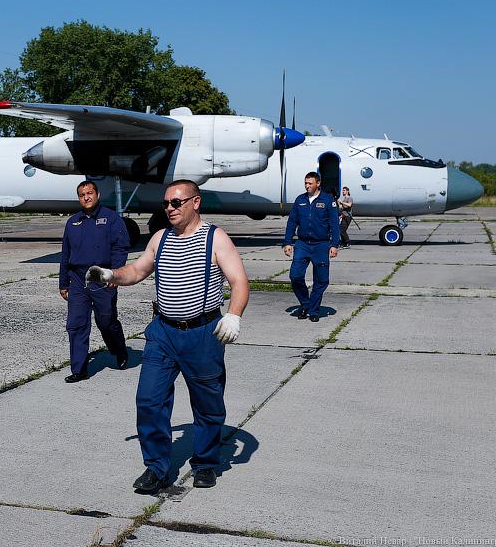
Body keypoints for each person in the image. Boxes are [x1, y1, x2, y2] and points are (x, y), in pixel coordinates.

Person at [86, 180, 249, 491]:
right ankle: (157, 468)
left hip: (202, 333)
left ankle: (205, 462)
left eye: (177, 202)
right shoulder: (161, 238)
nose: (170, 209)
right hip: (162, 332)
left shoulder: (216, 238)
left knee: (207, 404)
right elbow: (136, 270)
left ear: (195, 202)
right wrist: (111, 275)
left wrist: (233, 315)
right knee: (149, 400)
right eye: (166, 204)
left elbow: (239, 282)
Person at [59, 180, 131, 383]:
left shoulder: (111, 218)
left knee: (106, 322)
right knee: (76, 325)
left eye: (89, 193)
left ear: (97, 194)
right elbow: (65, 254)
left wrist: (115, 274)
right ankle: (79, 370)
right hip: (78, 281)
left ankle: (120, 351)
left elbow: (120, 247)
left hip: (102, 277)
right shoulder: (72, 222)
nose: (86, 197)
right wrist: (63, 283)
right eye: (82, 195)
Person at [283, 172, 340, 322]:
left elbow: (334, 224)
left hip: (321, 245)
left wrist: (334, 244)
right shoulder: (300, 200)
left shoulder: (328, 200)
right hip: (302, 244)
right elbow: (292, 222)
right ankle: (306, 304)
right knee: (295, 276)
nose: (307, 186)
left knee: (321, 280)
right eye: (306, 183)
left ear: (318, 183)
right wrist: (287, 242)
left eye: (310, 183)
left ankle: (313, 311)